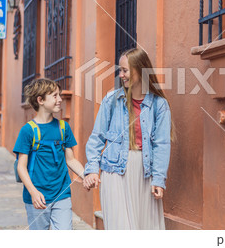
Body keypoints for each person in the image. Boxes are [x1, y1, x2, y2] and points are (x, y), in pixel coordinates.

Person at [83, 48, 173, 229]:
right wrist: (92, 169)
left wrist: (158, 179)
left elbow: (162, 145)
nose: (120, 74)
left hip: (144, 172)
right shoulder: (111, 100)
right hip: (114, 170)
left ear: (140, 71)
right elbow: (97, 137)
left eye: (125, 70)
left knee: (145, 229)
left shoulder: (159, 105)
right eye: (120, 70)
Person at [13, 78, 85, 230]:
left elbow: (70, 160)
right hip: (37, 197)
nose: (60, 99)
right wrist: (33, 192)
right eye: (55, 96)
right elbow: (21, 167)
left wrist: (87, 175)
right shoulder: (28, 130)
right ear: (40, 100)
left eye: (59, 95)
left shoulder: (63, 127)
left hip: (62, 193)